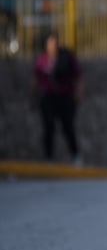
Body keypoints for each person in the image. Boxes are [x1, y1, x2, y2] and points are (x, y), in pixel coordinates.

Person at [32, 32, 83, 164]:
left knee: (68, 127)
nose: (53, 46)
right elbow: (36, 79)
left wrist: (78, 95)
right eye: (50, 44)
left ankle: (76, 156)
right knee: (48, 126)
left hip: (65, 97)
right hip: (49, 97)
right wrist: (33, 96)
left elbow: (78, 77)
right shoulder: (42, 59)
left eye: (55, 43)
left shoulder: (67, 57)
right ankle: (48, 158)